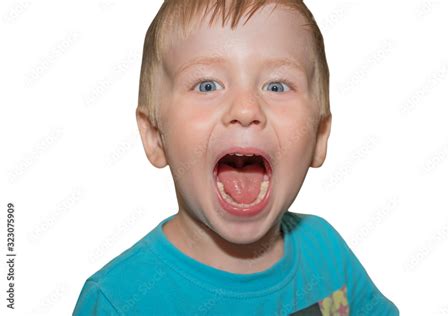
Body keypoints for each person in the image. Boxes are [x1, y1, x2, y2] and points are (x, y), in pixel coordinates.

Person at [73, 0, 399, 314]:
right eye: (207, 85)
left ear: (319, 136)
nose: (245, 109)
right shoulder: (118, 301)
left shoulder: (327, 254)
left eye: (276, 86)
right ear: (155, 136)